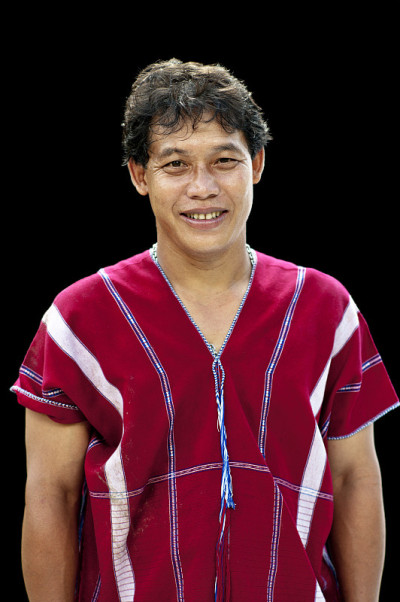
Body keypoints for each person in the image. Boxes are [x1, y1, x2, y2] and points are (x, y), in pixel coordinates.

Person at [12, 58, 398, 602]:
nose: (203, 187)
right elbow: (51, 495)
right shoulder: (80, 319)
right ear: (139, 175)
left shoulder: (325, 310)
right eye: (175, 164)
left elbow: (355, 478)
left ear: (256, 164)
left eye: (224, 160)